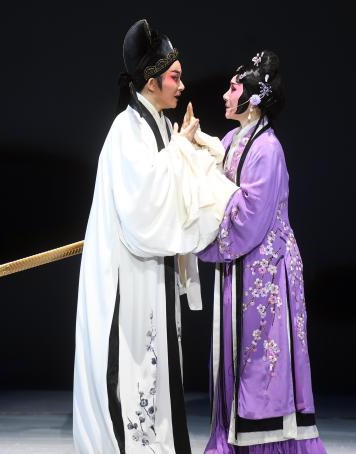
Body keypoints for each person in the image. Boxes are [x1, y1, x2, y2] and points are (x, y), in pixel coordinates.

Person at [72, 19, 238, 454]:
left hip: (152, 269)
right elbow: (145, 206)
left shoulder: (162, 127)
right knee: (133, 368)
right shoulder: (125, 131)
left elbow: (172, 182)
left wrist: (190, 148)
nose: (182, 86)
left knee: (159, 366)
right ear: (151, 81)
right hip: (128, 274)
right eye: (174, 77)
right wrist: (182, 151)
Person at [198, 50, 327, 453]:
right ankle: (233, 440)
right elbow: (214, 181)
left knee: (264, 360)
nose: (225, 96)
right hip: (242, 265)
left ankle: (268, 445)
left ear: (253, 99)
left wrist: (206, 222)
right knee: (238, 356)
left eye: (233, 89)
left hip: (268, 270)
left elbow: (249, 214)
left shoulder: (268, 149)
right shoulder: (233, 140)